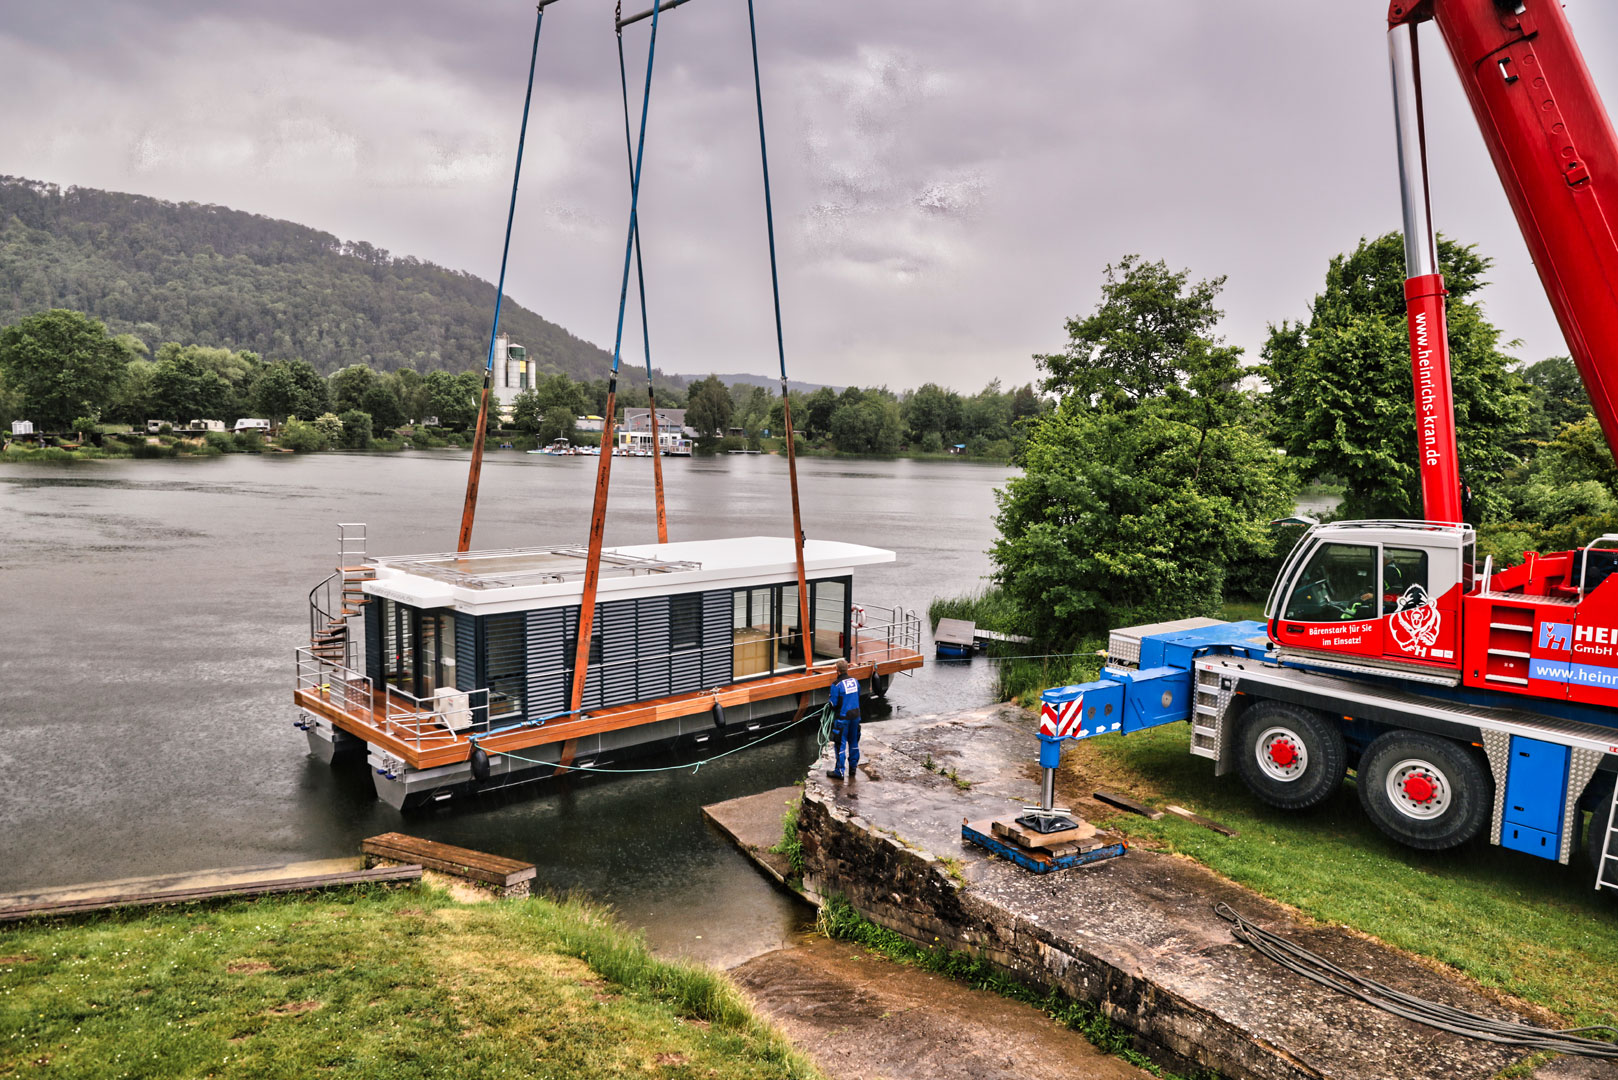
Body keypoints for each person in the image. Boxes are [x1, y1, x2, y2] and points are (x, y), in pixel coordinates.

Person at [826, 659, 861, 781]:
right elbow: (857, 696)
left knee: (840, 744)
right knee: (854, 742)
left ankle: (839, 771)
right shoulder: (855, 682)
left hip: (843, 719)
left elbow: (833, 704)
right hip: (856, 717)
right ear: (847, 669)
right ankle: (853, 768)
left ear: (837, 670)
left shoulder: (836, 685)